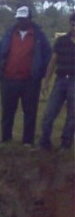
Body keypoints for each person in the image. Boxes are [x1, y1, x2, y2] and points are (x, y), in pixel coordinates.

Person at [0, 5, 52, 146]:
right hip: (8, 79)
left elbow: (48, 55)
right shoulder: (9, 34)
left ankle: (28, 141)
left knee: (30, 112)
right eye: (19, 19)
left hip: (30, 81)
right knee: (8, 111)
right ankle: (6, 139)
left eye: (24, 19)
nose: (21, 22)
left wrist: (40, 73)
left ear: (30, 19)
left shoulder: (39, 36)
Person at [39, 12, 75, 151]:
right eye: (73, 24)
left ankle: (65, 144)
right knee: (49, 113)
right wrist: (46, 81)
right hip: (60, 80)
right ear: (69, 24)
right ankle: (44, 142)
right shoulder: (61, 41)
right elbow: (53, 61)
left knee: (72, 116)